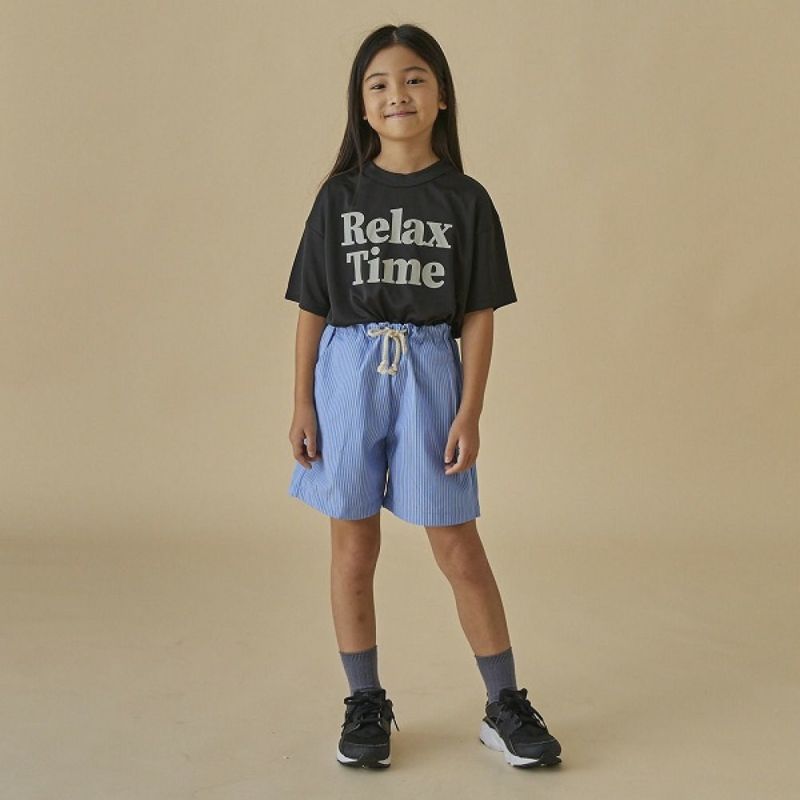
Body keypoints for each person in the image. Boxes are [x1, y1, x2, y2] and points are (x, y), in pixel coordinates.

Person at [284, 23, 562, 771]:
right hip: (348, 369)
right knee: (353, 545)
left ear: (441, 96)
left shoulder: (465, 199)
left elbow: (479, 315)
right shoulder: (339, 197)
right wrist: (303, 401)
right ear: (361, 106)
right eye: (378, 84)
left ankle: (504, 704)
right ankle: (365, 703)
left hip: (431, 371)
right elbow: (312, 305)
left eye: (413, 79)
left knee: (457, 543)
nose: (396, 94)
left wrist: (470, 409)